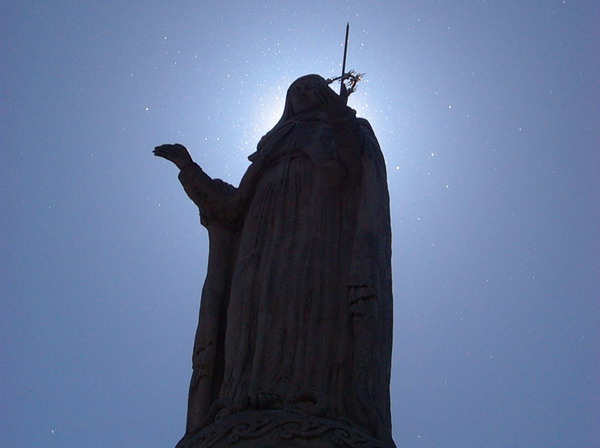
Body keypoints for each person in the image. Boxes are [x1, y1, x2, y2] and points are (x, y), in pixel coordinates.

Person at [154, 74, 394, 447]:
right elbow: (230, 208)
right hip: (259, 243)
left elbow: (349, 167)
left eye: (311, 88)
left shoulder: (345, 129)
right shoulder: (271, 146)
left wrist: (337, 113)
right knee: (250, 314)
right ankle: (241, 398)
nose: (303, 94)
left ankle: (310, 395)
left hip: (318, 235)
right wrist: (189, 168)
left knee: (306, 306)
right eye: (296, 90)